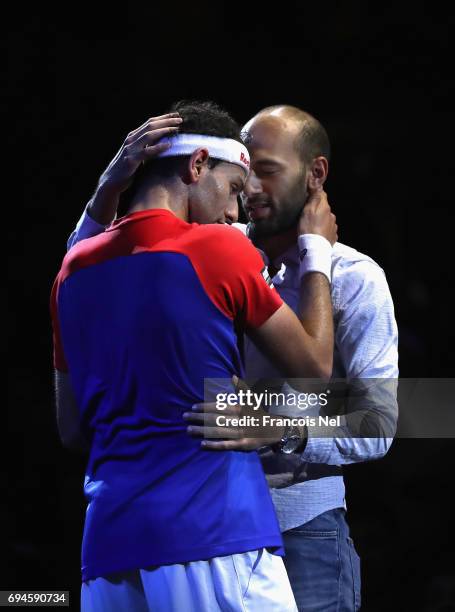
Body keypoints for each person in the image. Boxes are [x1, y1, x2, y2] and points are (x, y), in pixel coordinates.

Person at [70, 103, 398, 612]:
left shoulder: (356, 278)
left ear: (316, 175)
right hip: (201, 523)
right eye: (241, 180)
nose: (250, 195)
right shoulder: (210, 244)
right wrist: (106, 189)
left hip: (301, 531)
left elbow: (385, 416)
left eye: (265, 172)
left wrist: (281, 425)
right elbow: (92, 266)